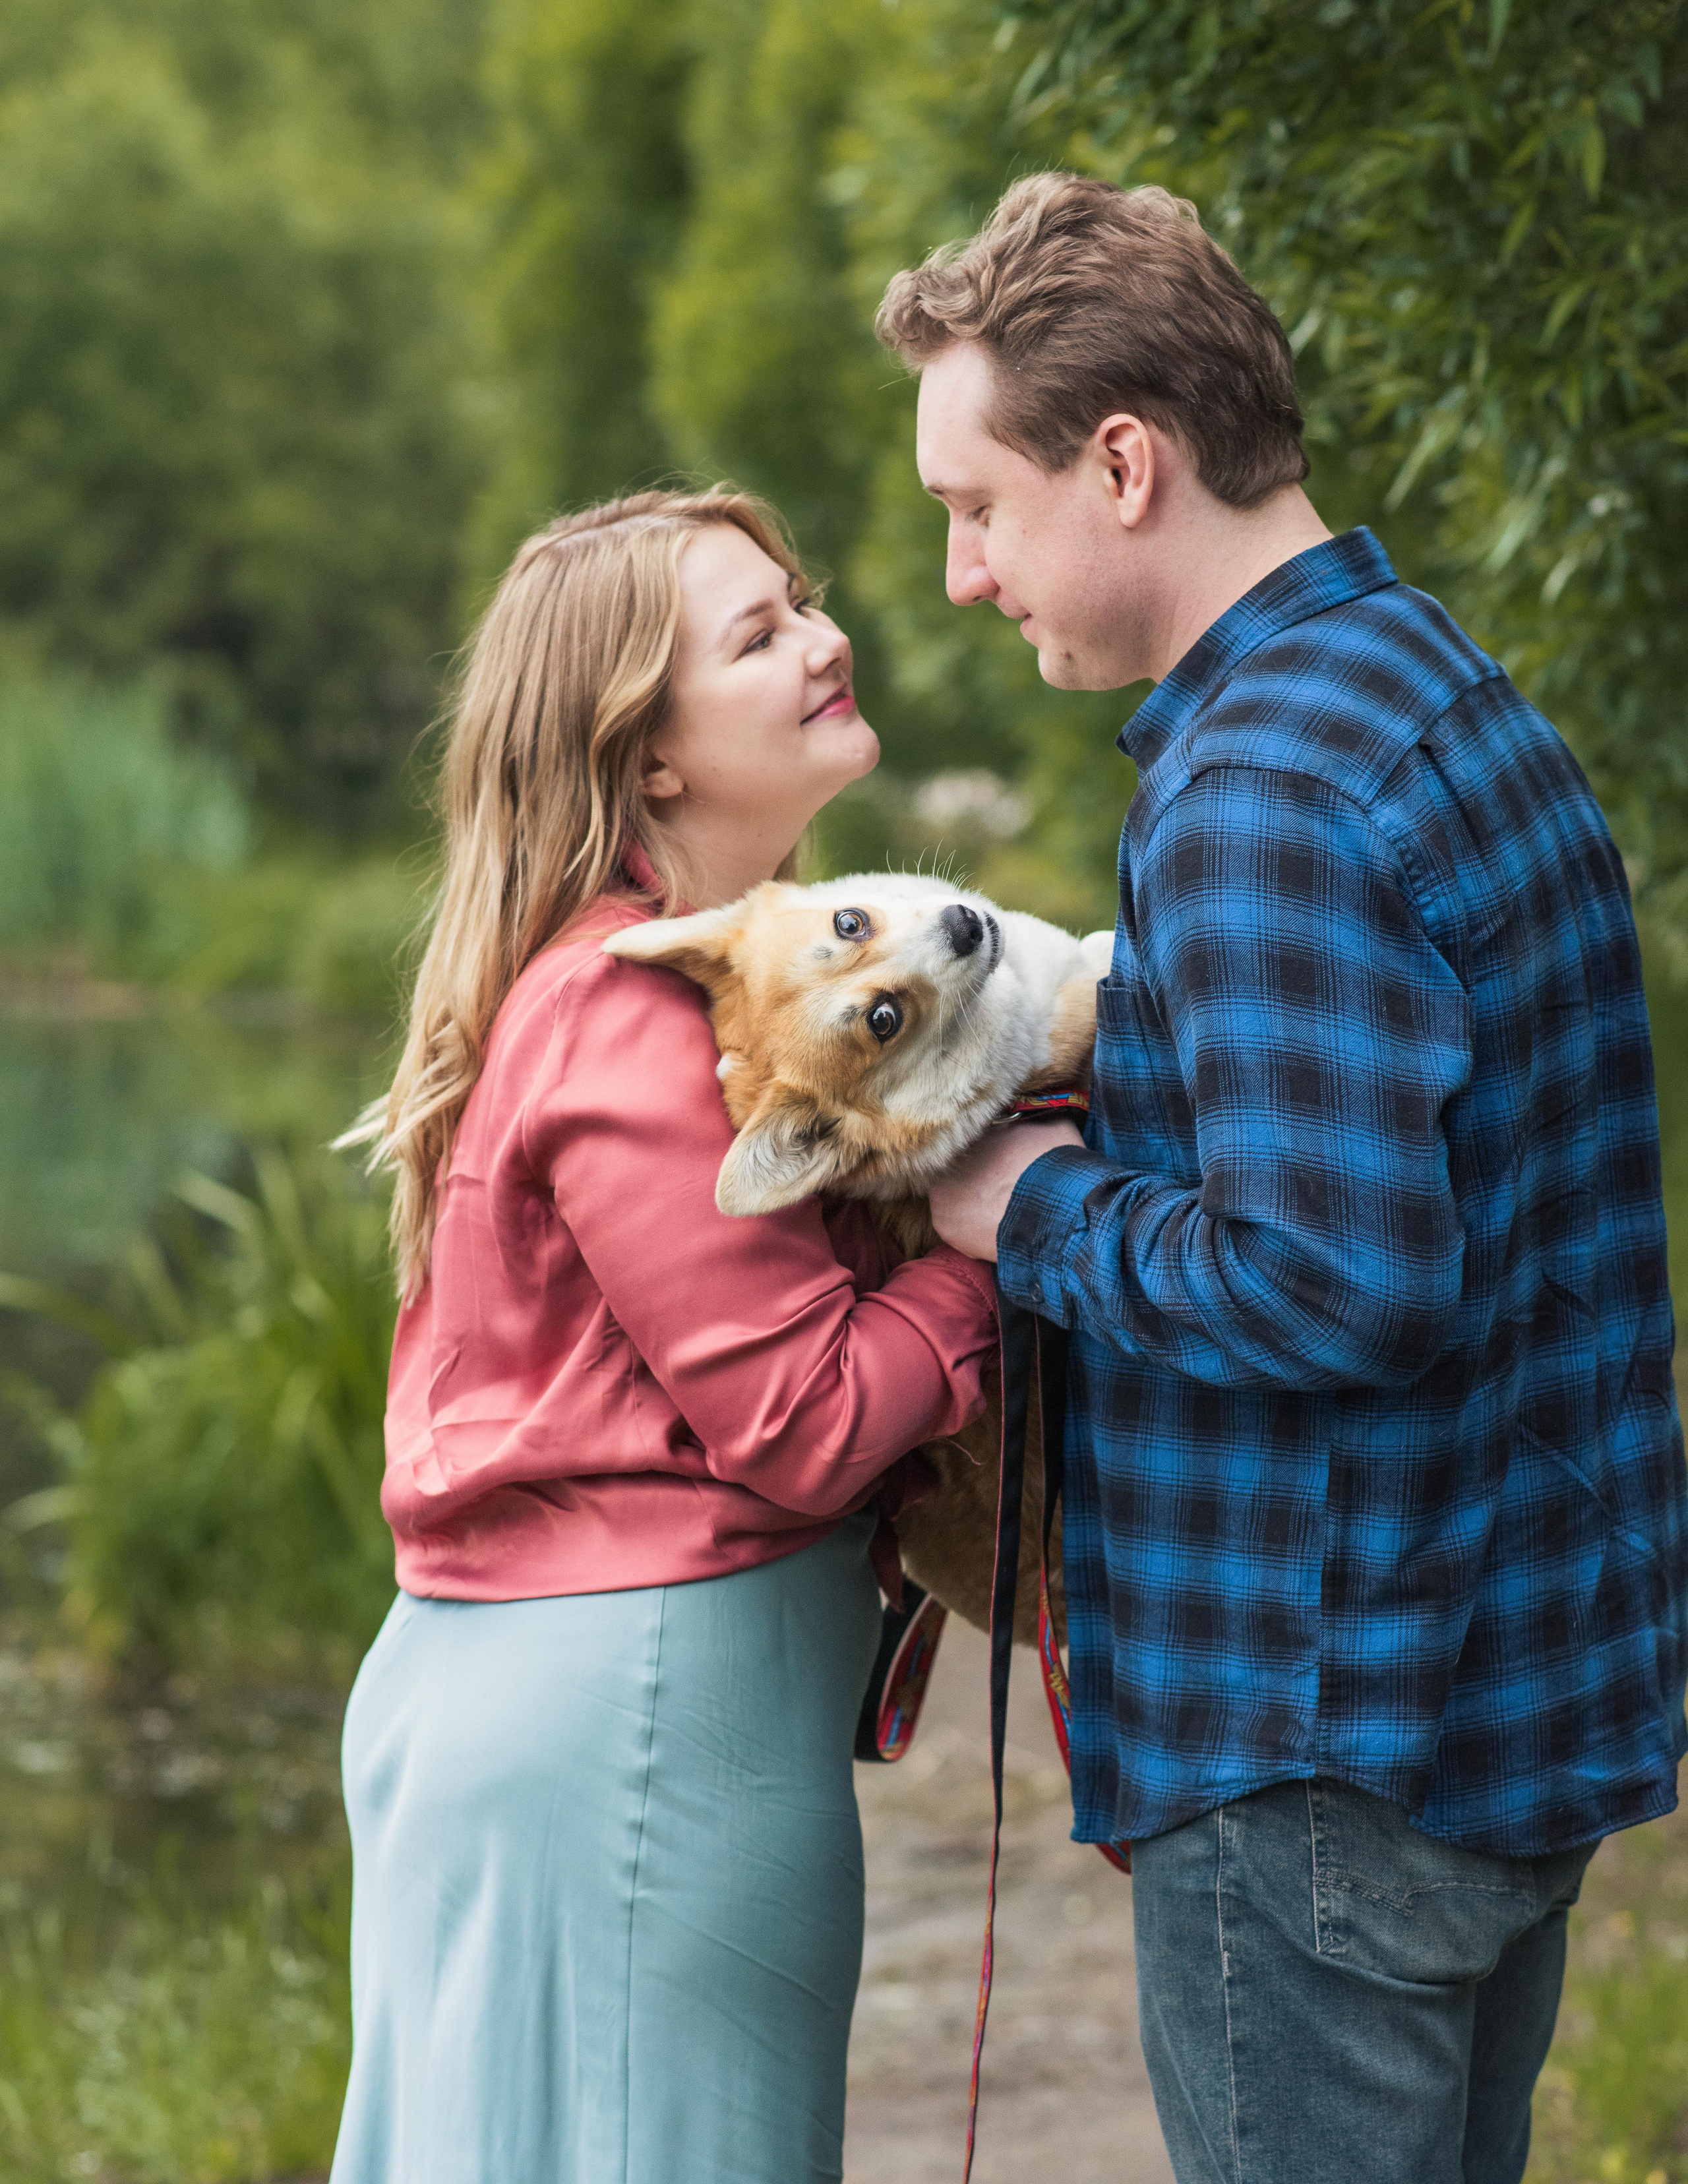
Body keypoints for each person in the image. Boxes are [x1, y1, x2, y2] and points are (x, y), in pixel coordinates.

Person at [880, 172, 1688, 2184]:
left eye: (980, 509)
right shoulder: (1434, 692)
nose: (970, 573)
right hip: (1494, 1708)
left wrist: (1016, 1213)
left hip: (1331, 1751)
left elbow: (1341, 1282)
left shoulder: (1260, 793)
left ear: (1126, 464)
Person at [328, 487, 998, 2184]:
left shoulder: (650, 983)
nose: (824, 637)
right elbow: (811, 1414)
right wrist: (1006, 1240)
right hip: (636, 1731)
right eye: (757, 634)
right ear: (649, 763)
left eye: (805, 601)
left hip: (574, 1705)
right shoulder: (635, 1009)